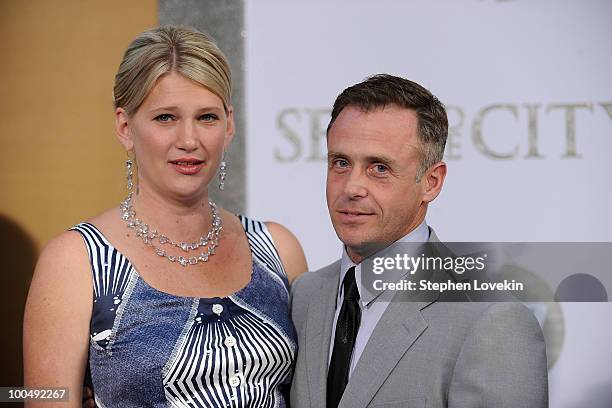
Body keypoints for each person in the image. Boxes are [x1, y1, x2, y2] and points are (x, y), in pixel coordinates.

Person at [23, 25, 307, 407]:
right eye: (165, 118)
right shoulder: (75, 261)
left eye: (207, 117)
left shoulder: (276, 248)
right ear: (125, 127)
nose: (189, 140)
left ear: (230, 125)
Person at [289, 74, 548, 407]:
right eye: (340, 163)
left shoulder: (492, 320)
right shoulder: (303, 295)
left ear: (431, 182)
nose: (351, 187)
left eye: (379, 168)